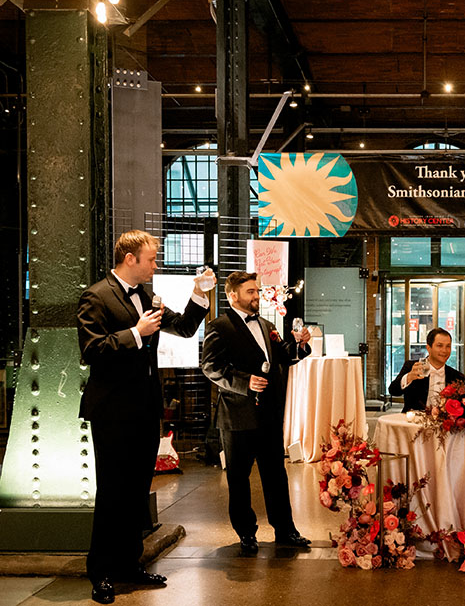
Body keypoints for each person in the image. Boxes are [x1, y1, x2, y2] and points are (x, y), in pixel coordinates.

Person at [77, 230, 210, 605]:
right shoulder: (96, 296)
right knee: (112, 494)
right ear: (130, 258)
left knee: (136, 493)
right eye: (151, 259)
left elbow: (183, 328)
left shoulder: (147, 297)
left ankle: (129, 564)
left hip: (145, 409)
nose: (156, 265)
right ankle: (101, 571)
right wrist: (136, 333)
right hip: (113, 411)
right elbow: (91, 350)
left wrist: (200, 293)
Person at [200, 271, 312, 555]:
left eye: (257, 291)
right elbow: (210, 367)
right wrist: (243, 382)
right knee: (238, 479)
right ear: (233, 295)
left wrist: (298, 345)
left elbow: (281, 357)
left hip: (269, 415)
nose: (256, 296)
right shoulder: (219, 326)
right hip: (237, 416)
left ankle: (286, 530)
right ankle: (246, 533)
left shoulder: (266, 324)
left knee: (276, 475)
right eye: (250, 291)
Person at [389, 327, 465, 413]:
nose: (444, 350)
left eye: (448, 346)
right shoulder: (412, 367)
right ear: (428, 348)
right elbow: (393, 391)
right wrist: (409, 376)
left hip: (444, 424)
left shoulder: (457, 377)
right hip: (413, 423)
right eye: (439, 346)